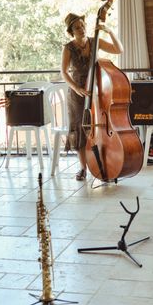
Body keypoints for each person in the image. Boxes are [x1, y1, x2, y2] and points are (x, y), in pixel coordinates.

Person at [60, 13, 123, 181]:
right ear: (71, 31)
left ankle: (102, 163)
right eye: (77, 28)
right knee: (81, 129)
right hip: (78, 93)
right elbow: (64, 72)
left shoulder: (95, 42)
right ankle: (83, 168)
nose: (81, 29)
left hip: (96, 90)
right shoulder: (68, 48)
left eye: (82, 25)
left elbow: (119, 49)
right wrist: (77, 88)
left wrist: (108, 31)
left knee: (99, 127)